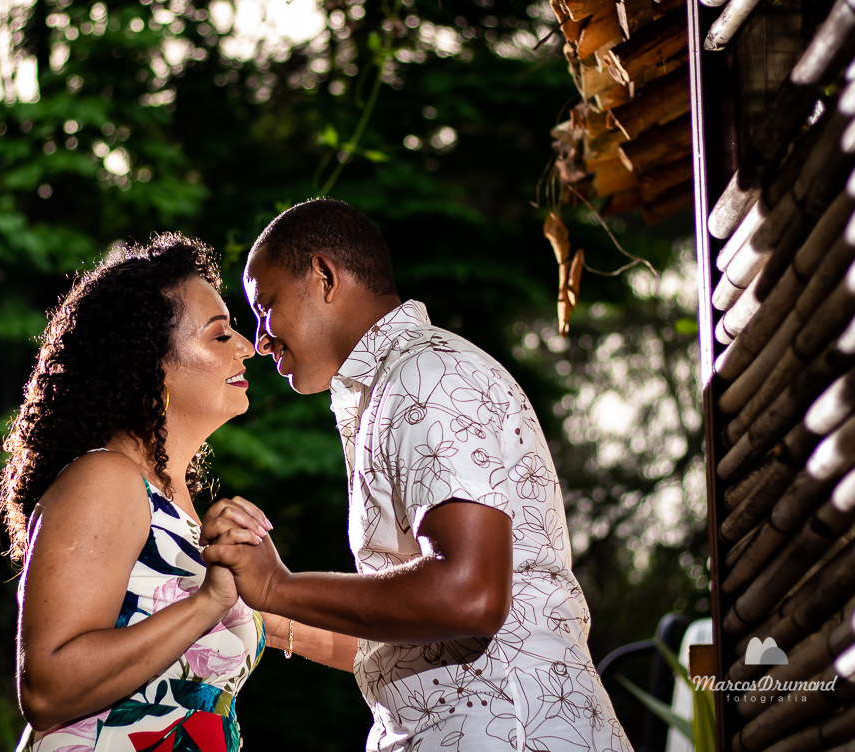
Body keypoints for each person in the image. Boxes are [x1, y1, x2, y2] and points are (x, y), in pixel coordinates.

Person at [202, 199, 634, 751]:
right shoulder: (393, 388)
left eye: (266, 307)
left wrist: (278, 585)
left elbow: (469, 595)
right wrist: (259, 609)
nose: (260, 340)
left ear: (324, 276)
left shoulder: (428, 375)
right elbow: (398, 643)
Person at [0, 232, 298, 752]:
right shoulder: (106, 480)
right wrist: (208, 603)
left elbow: (306, 628)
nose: (247, 348)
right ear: (151, 362)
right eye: (220, 335)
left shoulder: (178, 504)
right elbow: (47, 689)